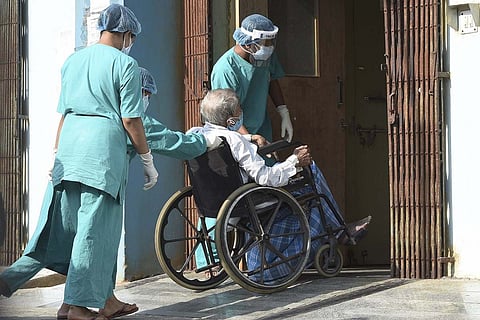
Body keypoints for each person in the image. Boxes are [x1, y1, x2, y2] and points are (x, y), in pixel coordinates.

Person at [0, 64, 213, 319]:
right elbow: (169, 141)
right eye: (145, 93)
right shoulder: (129, 117)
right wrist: (205, 141)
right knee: (95, 240)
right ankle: (77, 307)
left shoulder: (88, 111)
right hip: (99, 179)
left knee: (55, 241)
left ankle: (85, 301)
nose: (146, 99)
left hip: (64, 175)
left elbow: (63, 120)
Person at [0, 4, 154, 320]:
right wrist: (146, 158)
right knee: (93, 233)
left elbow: (65, 112)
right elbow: (130, 119)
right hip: (101, 156)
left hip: (69, 152)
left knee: (71, 231)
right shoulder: (125, 64)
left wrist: (57, 154)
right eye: (131, 37)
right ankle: (80, 307)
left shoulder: (73, 60)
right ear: (127, 34)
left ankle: (93, 301)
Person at [188, 89, 371, 277]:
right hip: (248, 200)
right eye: (239, 110)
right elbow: (266, 178)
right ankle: (336, 229)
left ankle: (336, 229)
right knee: (311, 172)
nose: (242, 112)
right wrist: (294, 161)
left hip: (214, 203)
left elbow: (223, 138)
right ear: (231, 120)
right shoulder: (236, 141)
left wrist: (251, 138)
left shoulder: (196, 134)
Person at [210, 13, 293, 147]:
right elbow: (227, 115)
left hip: (261, 127)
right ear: (248, 44)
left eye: (272, 42)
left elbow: (270, 78)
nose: (270, 47)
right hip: (236, 134)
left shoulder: (264, 56)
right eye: (266, 42)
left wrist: (284, 112)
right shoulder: (225, 70)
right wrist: (250, 139)